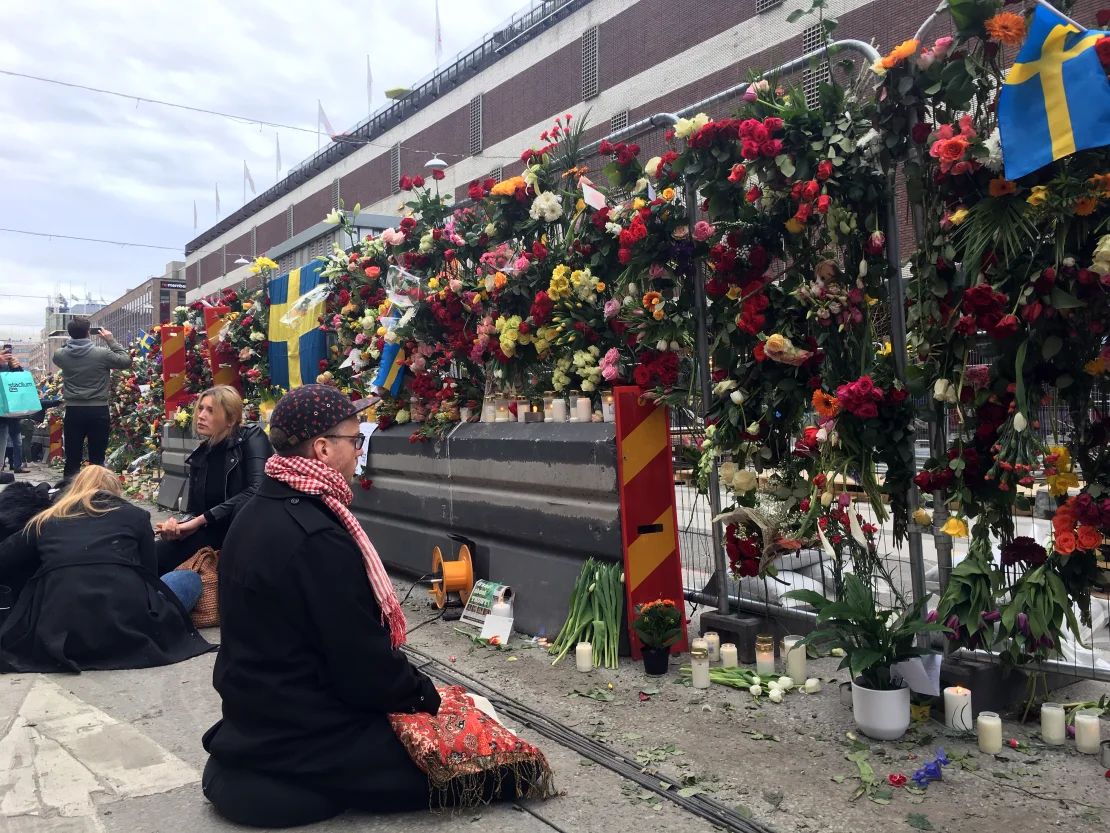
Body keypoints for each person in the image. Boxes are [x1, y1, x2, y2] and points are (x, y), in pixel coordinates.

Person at [201, 385, 547, 827]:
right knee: (506, 769)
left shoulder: (259, 509)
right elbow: (361, 667)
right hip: (307, 729)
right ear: (323, 449)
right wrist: (426, 696)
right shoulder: (315, 537)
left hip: (260, 714)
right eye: (355, 439)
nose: (359, 449)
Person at [0, 465, 214, 673]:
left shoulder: (45, 521)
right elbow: (149, 573)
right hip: (127, 629)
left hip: (60, 629)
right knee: (188, 579)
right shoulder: (136, 515)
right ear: (114, 490)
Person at [155, 385, 272, 574]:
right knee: (150, 555)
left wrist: (200, 520)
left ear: (231, 419)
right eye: (200, 408)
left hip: (245, 535)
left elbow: (257, 489)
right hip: (210, 534)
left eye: (210, 410)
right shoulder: (202, 454)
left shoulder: (251, 437)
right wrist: (178, 528)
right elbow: (194, 512)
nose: (201, 415)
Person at [51, 317, 132, 480]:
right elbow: (126, 361)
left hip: (73, 411)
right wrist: (110, 340)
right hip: (98, 410)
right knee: (96, 458)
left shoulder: (60, 355)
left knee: (72, 457)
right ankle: (96, 492)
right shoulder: (101, 354)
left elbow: (64, 352)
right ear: (89, 333)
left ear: (70, 334)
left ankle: (69, 492)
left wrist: (73, 340)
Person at [0, 344, 30, 474]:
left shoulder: (9, 366)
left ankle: (15, 466)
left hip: (11, 412)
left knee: (16, 441)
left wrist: (16, 367)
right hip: (3, 412)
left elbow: (18, 384)